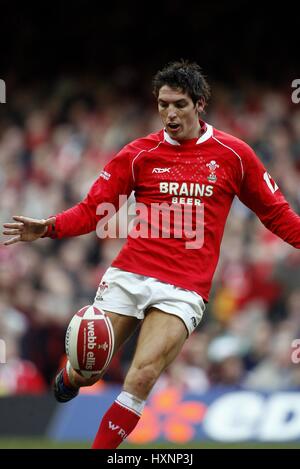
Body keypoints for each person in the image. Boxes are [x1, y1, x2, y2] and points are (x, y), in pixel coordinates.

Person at [3, 60, 300, 449]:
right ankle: (73, 378)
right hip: (131, 272)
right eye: (163, 105)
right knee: (89, 370)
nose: (170, 113)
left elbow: (276, 213)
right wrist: (50, 226)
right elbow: (95, 209)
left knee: (141, 376)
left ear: (200, 104)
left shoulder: (234, 155)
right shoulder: (139, 154)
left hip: (184, 287)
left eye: (179, 104)